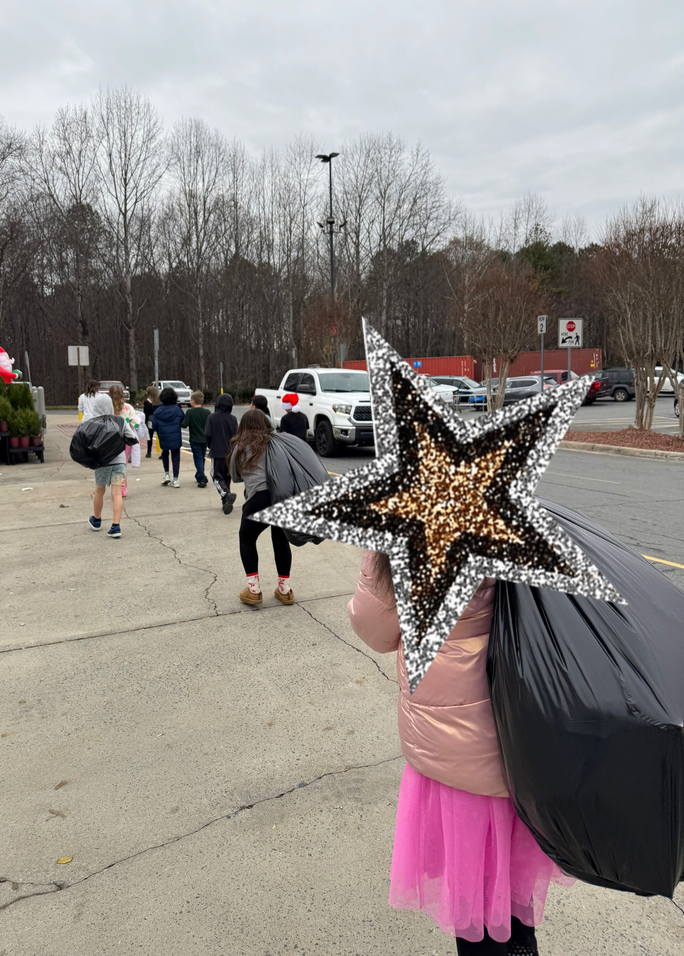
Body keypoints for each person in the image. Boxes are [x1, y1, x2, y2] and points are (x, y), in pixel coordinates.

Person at [348, 554, 571, 955]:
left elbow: (376, 632)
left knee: (471, 900)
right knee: (513, 885)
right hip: (521, 739)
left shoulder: (404, 531)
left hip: (453, 751)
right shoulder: (515, 520)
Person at [230, 409, 293, 607]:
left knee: (247, 539)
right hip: (283, 498)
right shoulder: (279, 443)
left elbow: (235, 476)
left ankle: (254, 590)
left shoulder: (241, 446)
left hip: (259, 497)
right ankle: (285, 590)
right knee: (281, 540)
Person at [87, 393, 135, 539]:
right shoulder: (119, 421)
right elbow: (132, 437)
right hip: (119, 461)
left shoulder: (92, 423)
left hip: (102, 462)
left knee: (99, 490)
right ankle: (116, 526)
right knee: (117, 493)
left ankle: (96, 520)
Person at [205, 393, 238, 513]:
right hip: (230, 453)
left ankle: (225, 494)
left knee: (216, 477)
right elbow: (236, 436)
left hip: (217, 451)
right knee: (226, 477)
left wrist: (210, 445)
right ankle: (225, 502)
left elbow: (208, 434)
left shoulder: (212, 417)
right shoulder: (233, 419)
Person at [108, 385, 141, 498]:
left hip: (110, 439)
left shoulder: (107, 408)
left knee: (112, 463)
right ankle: (122, 488)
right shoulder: (128, 407)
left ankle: (113, 486)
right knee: (123, 464)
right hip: (125, 438)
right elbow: (137, 423)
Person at [153, 386, 185, 486]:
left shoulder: (157, 411)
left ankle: (166, 474)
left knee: (165, 454)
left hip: (163, 436)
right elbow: (182, 420)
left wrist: (159, 432)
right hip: (175, 436)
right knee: (176, 457)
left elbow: (154, 425)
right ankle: (175, 479)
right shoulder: (178, 410)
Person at [182, 391, 209, 487]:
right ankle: (199, 474)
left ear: (193, 401)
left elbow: (184, 425)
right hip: (205, 439)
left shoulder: (190, 412)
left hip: (194, 439)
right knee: (202, 457)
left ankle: (202, 477)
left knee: (197, 458)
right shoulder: (207, 412)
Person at [144, 385, 161, 458]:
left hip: (150, 420)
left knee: (150, 436)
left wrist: (144, 422)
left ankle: (149, 452)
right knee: (160, 437)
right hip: (159, 420)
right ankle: (163, 452)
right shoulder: (159, 401)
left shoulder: (147, 402)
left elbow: (146, 413)